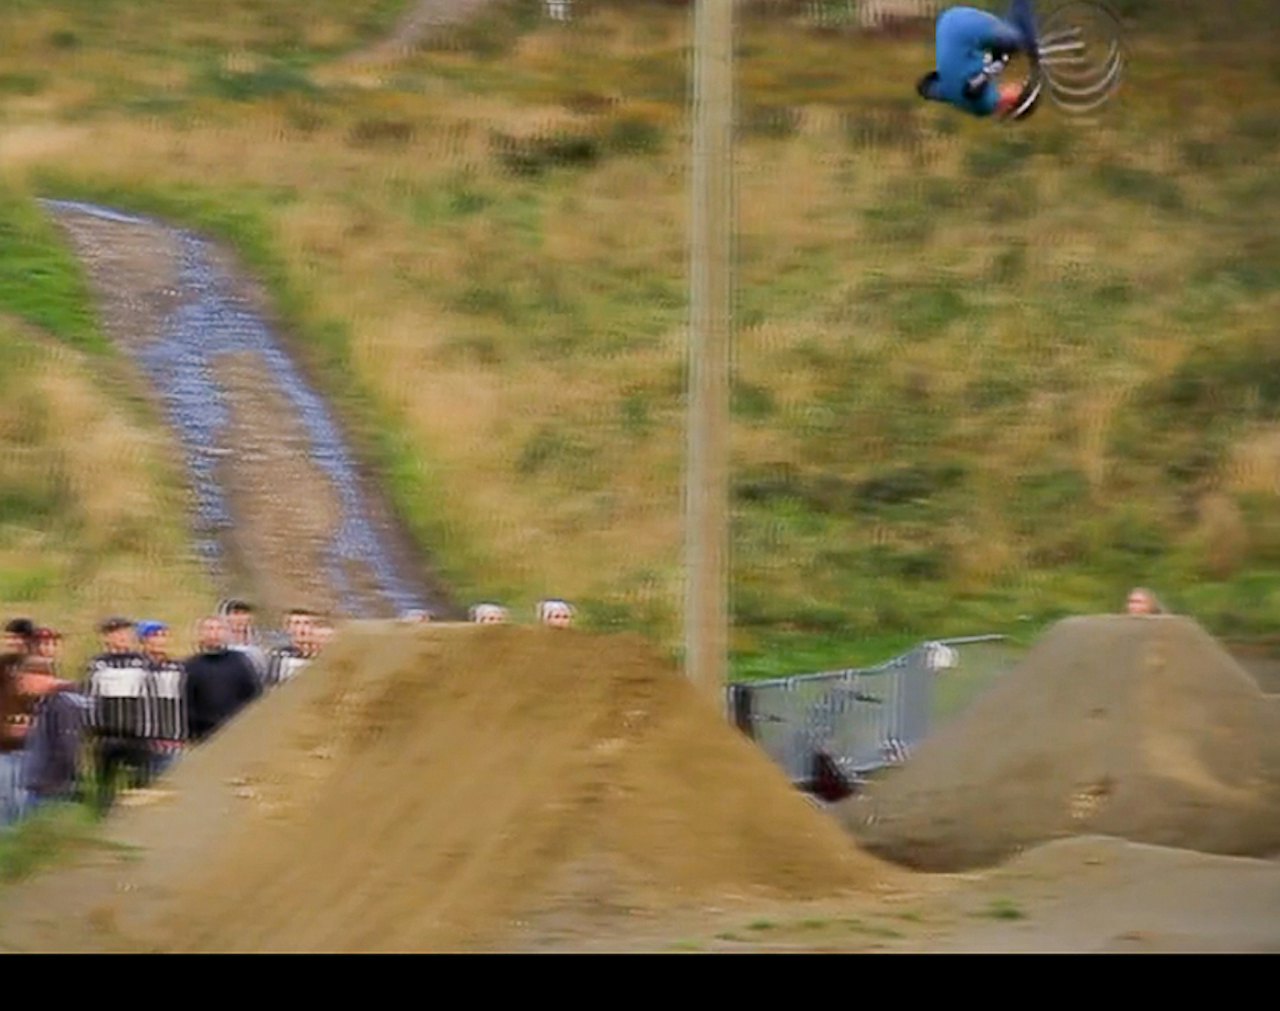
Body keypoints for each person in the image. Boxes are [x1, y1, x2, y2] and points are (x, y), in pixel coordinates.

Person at [916, 0, 1040, 120]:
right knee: (1012, 39)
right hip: (946, 21)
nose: (1014, 85)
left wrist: (994, 68)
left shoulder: (986, 104)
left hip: (963, 27)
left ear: (1010, 104)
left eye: (1018, 89)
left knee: (1022, 42)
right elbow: (925, 87)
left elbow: (971, 90)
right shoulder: (960, 101)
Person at [19, 656, 90, 814]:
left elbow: (68, 746)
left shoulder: (61, 706)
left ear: (42, 678)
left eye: (26, 679)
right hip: (40, 786)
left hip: (53, 790)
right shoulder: (41, 704)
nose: (23, 684)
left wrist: (64, 782)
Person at [183, 616, 261, 744]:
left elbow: (253, 696)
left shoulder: (240, 661)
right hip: (203, 736)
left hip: (237, 733)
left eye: (219, 629)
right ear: (201, 634)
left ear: (226, 633)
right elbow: (187, 703)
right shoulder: (190, 666)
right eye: (209, 629)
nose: (214, 634)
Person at [137, 621, 186, 782]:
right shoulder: (135, 668)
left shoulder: (178, 668)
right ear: (143, 640)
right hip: (141, 743)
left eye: (163, 635)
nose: (159, 640)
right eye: (154, 635)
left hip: (172, 742)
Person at [219, 599, 269, 685]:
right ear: (227, 617)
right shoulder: (220, 643)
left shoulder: (261, 643)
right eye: (236, 613)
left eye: (244, 613)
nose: (240, 618)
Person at [265, 611, 315, 688]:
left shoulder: (320, 655)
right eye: (297, 623)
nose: (302, 629)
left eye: (306, 623)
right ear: (288, 628)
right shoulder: (278, 655)